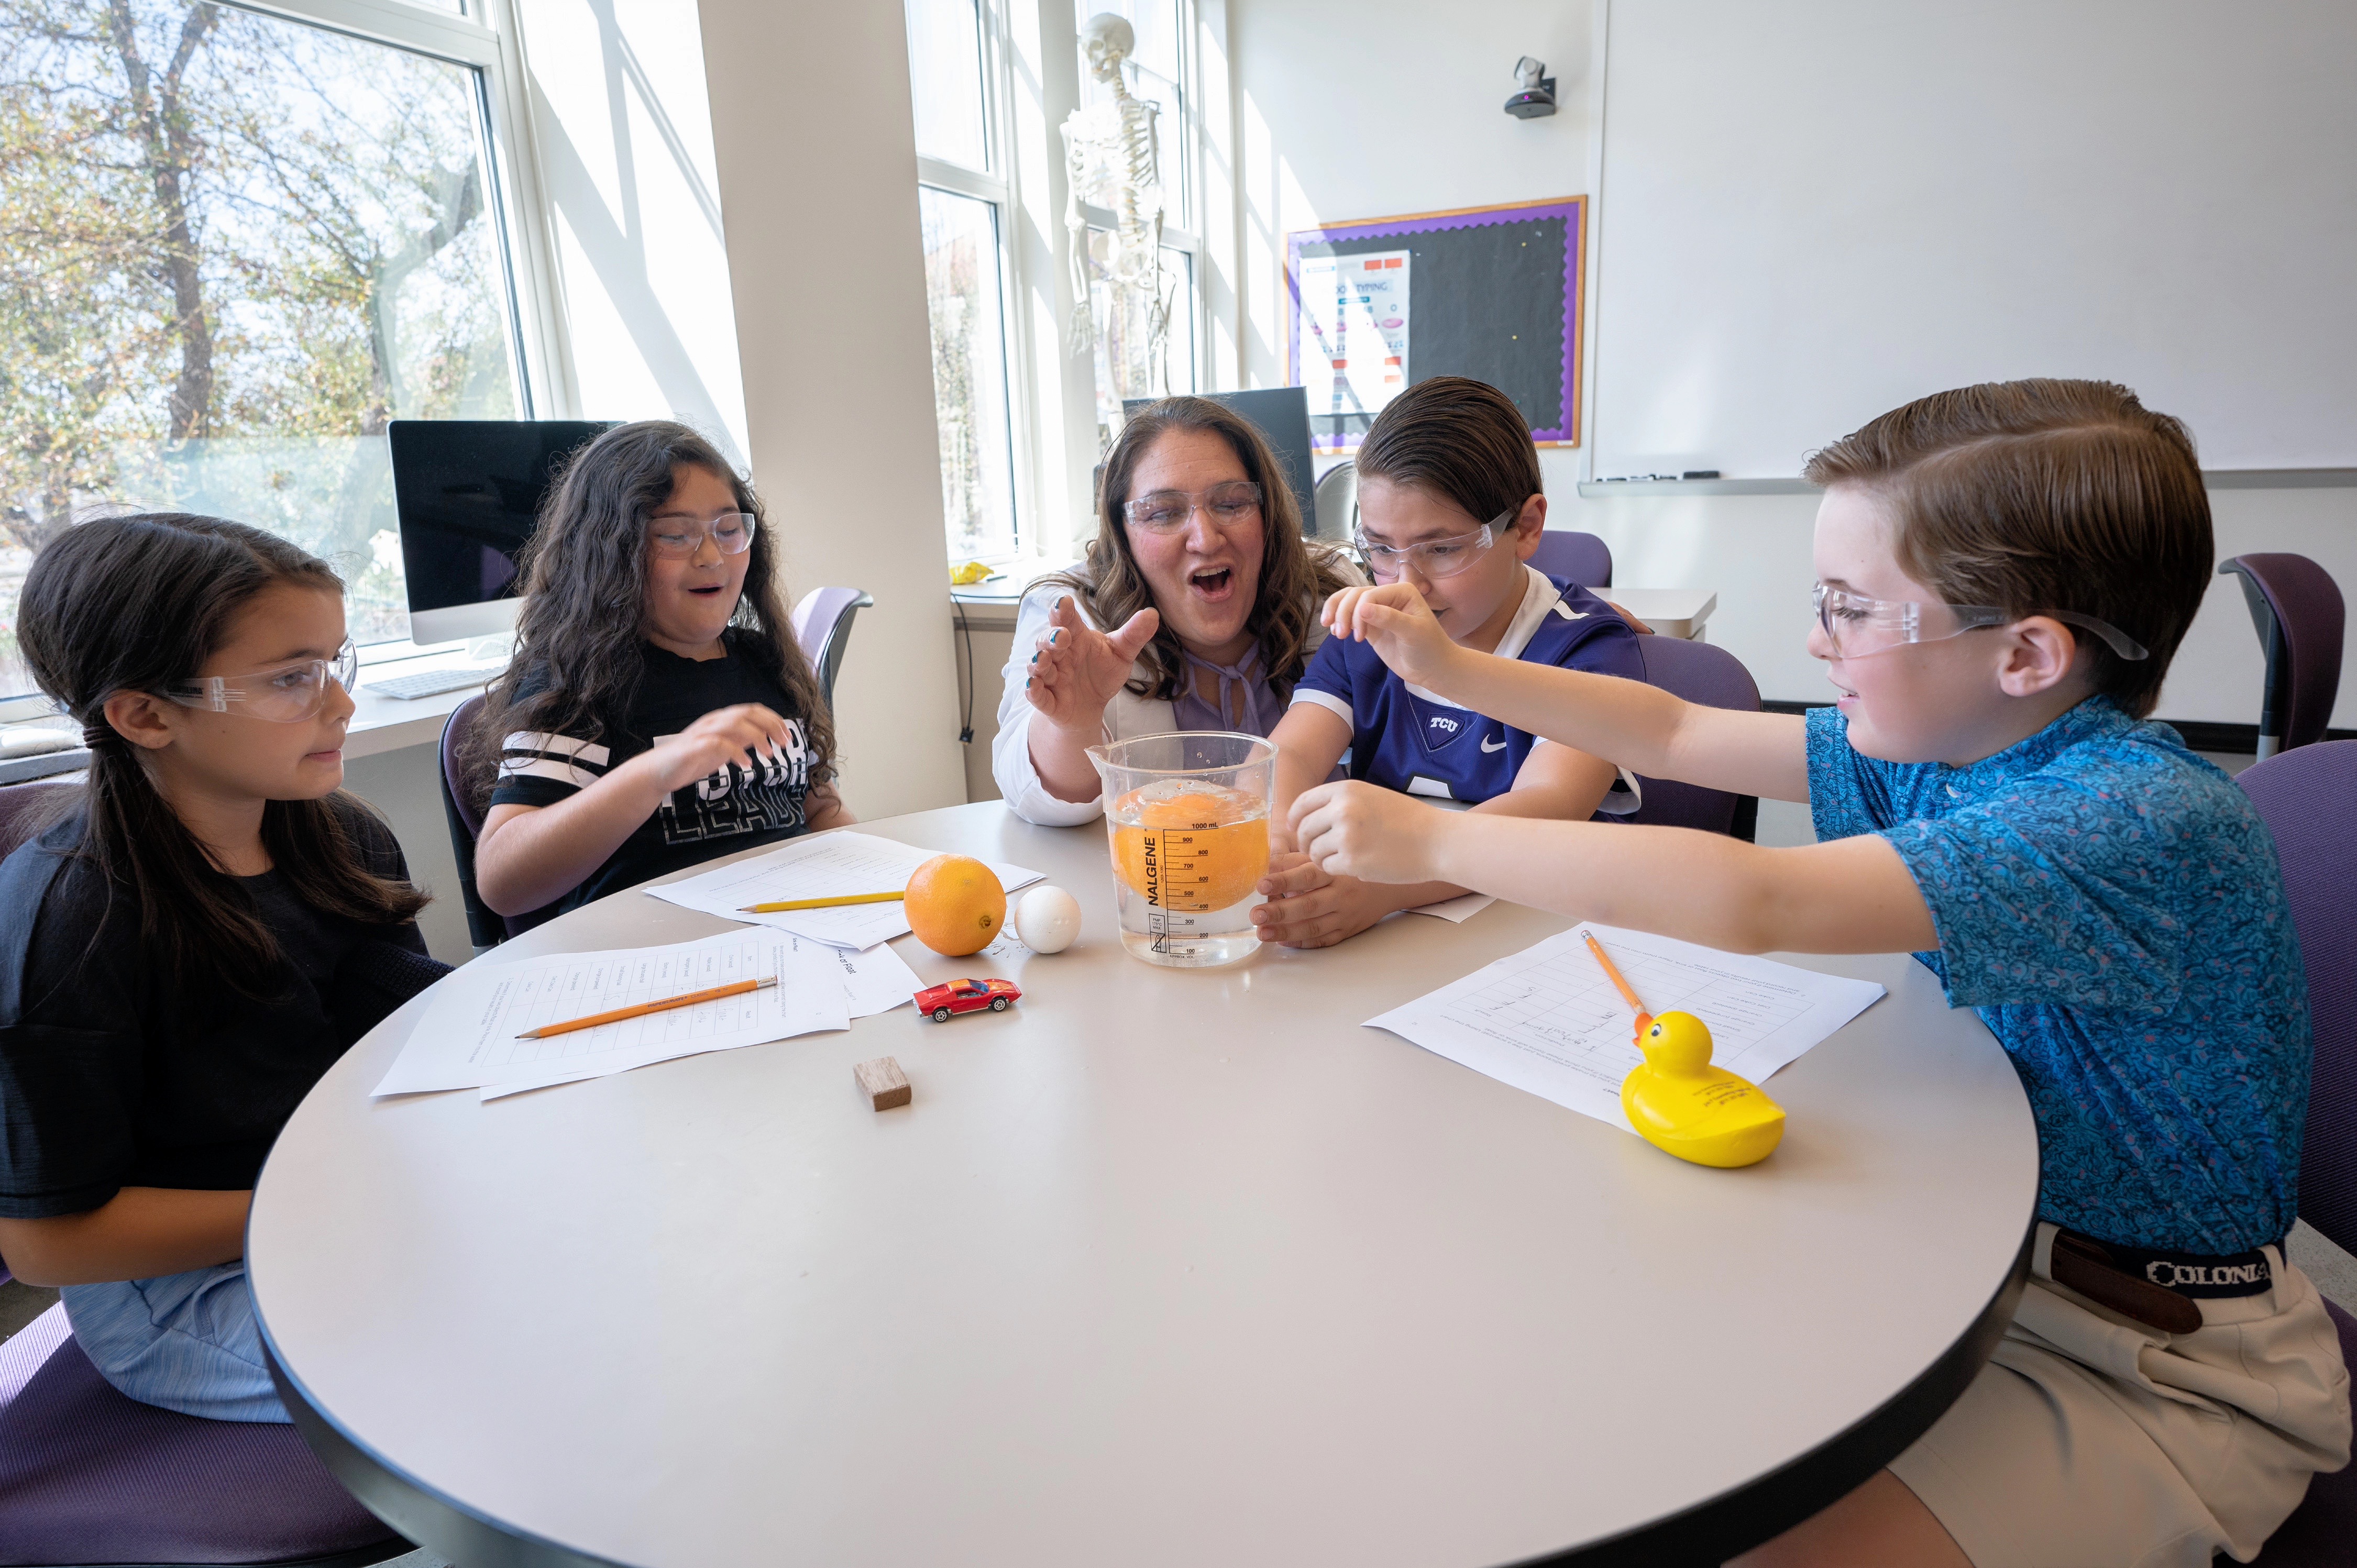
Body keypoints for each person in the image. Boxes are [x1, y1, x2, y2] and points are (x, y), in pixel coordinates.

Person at [1289, 379, 2351, 1566]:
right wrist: (1449, 668)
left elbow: (1759, 898)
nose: (1811, 640)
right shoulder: (1966, 740)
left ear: (2023, 651)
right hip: (1985, 1262)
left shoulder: (2126, 818)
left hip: (2159, 1361)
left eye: (1847, 608)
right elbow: (1670, 731)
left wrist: (1433, 838)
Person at [0, 514, 447, 1422]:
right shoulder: (73, 919)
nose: (341, 705)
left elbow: (401, 1031)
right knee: (508, 1352)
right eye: (291, 679)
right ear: (146, 713)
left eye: (333, 663)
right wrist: (327, 1191)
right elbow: (47, 1243)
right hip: (173, 1288)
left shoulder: (336, 832)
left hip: (339, 1195)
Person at [1251, 377, 1641, 949]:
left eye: (1441, 549)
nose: (1406, 584)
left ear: (1526, 527)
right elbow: (1287, 761)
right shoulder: (1368, 627)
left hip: (1545, 935)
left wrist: (1387, 887)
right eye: (1380, 548)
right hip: (1399, 943)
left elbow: (1549, 807)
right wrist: (1281, 847)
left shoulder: (1588, 650)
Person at [466, 421, 850, 917]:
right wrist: (656, 773)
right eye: (675, 534)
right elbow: (502, 883)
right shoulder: (576, 683)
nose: (711, 556)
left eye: (729, 530)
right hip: (657, 961)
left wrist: (880, 869)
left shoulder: (767, 662)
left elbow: (819, 806)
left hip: (791, 934)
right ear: (610, 554)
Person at [994, 396, 1360, 825]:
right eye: (1163, 513)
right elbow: (1035, 800)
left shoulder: (1329, 591)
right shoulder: (1071, 613)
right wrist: (1073, 726)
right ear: (1122, 535)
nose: (1205, 539)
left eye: (1231, 503)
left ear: (1266, 513)